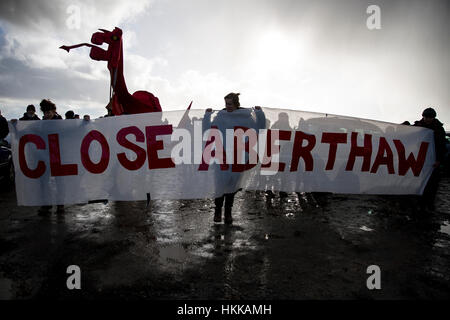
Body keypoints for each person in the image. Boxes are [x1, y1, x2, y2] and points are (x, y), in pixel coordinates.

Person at [204, 93, 266, 224]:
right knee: (220, 185)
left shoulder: (246, 118)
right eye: (226, 103)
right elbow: (207, 130)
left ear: (236, 104)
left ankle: (228, 213)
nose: (227, 106)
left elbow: (259, 128)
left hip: (239, 157)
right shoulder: (220, 117)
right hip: (221, 157)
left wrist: (260, 113)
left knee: (232, 186)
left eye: (230, 104)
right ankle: (217, 212)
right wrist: (207, 116)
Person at [414, 107, 447, 211]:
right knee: (420, 181)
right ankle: (420, 202)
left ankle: (430, 203)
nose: (428, 119)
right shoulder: (417, 126)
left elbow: (442, 145)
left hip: (433, 160)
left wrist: (438, 160)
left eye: (430, 117)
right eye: (426, 117)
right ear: (423, 116)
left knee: (432, 183)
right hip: (420, 159)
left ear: (434, 117)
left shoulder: (438, 129)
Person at [38, 99, 64, 215]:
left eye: (49, 112)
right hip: (45, 155)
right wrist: (15, 125)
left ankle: (60, 205)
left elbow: (72, 130)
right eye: (45, 113)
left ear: (53, 111)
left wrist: (84, 121)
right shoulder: (42, 124)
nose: (47, 115)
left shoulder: (61, 123)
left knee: (60, 181)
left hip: (58, 155)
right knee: (44, 181)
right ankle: (47, 204)